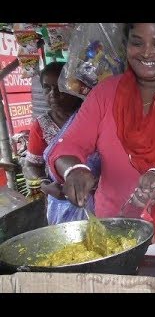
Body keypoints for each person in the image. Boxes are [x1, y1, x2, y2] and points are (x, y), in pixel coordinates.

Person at [48, 23, 155, 245]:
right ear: (126, 45)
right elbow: (69, 145)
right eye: (137, 43)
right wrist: (74, 170)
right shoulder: (105, 93)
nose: (146, 52)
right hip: (113, 230)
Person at [23, 61, 100, 224]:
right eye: (47, 88)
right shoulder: (41, 125)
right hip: (61, 203)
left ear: (73, 87)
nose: (53, 94)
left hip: (100, 198)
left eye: (59, 87)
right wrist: (45, 185)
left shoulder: (94, 117)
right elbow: (31, 165)